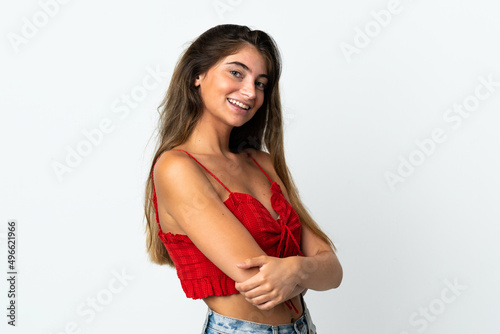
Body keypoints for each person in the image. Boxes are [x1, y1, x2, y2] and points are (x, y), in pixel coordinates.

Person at [144, 24, 342, 333]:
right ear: (197, 75)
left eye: (261, 83)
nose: (251, 92)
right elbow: (259, 282)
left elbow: (333, 273)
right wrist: (305, 270)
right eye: (237, 73)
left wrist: (296, 267)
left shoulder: (262, 162)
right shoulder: (177, 168)